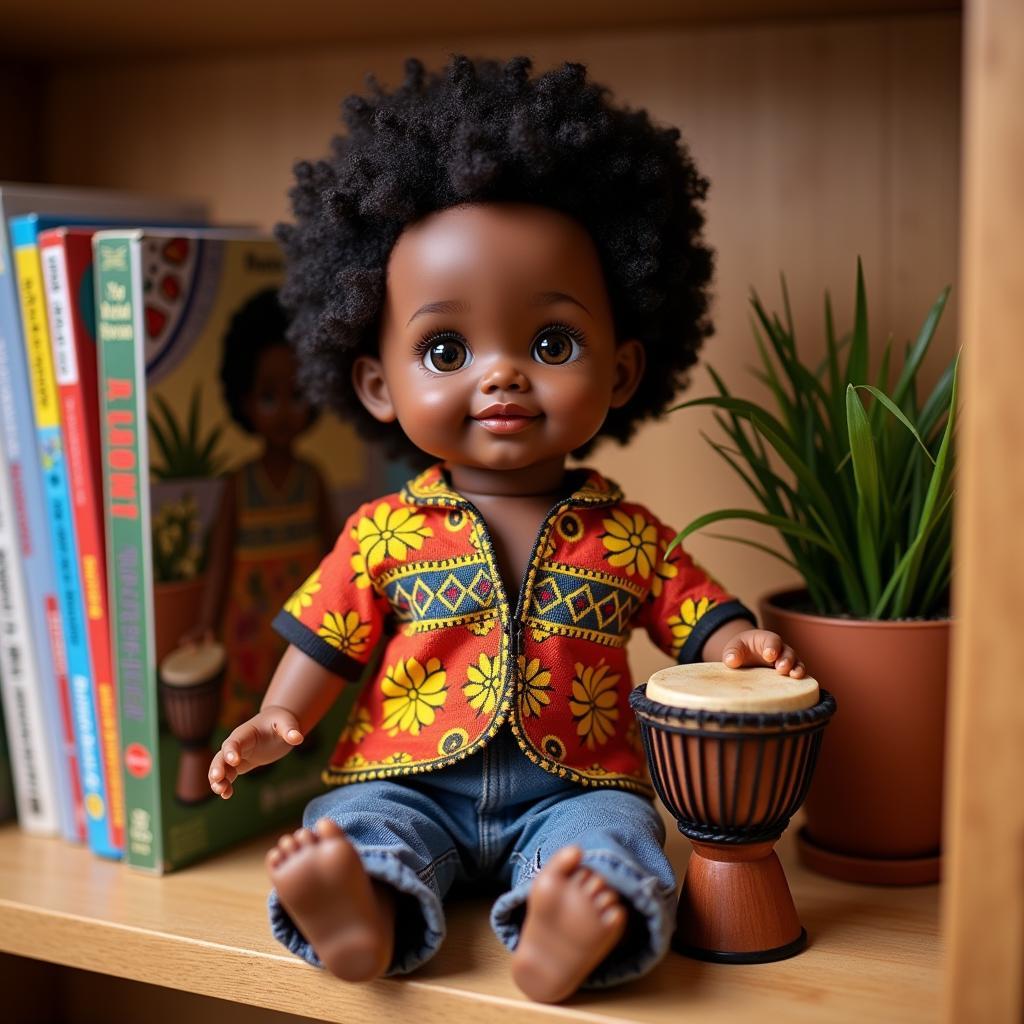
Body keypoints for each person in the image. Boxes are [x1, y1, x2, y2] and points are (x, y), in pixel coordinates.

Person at [208, 56, 807, 1003]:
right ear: (377, 384)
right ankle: (362, 911)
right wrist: (281, 718)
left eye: (552, 344)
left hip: (578, 785)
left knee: (617, 839)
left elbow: (698, 618)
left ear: (620, 371)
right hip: (408, 776)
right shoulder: (382, 533)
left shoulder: (628, 535)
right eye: (447, 349)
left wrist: (744, 644)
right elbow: (326, 639)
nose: (501, 376)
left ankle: (563, 929)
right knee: (362, 822)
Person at [183, 289, 336, 726]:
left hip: (302, 610)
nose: (284, 412)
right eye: (269, 396)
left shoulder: (311, 480)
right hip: (247, 614)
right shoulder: (239, 484)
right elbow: (220, 560)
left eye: (297, 395)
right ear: (245, 400)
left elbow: (336, 555)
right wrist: (206, 622)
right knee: (249, 684)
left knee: (303, 682)